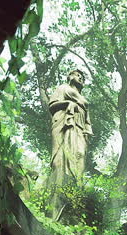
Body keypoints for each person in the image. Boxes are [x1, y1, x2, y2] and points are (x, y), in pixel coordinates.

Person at [48, 69, 92, 219]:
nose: (80, 77)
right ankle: (55, 207)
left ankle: (75, 202)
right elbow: (52, 106)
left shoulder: (83, 99)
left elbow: (88, 120)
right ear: (69, 76)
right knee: (60, 161)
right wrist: (68, 103)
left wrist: (87, 132)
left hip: (80, 130)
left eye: (82, 77)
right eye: (77, 75)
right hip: (64, 125)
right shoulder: (63, 88)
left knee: (79, 157)